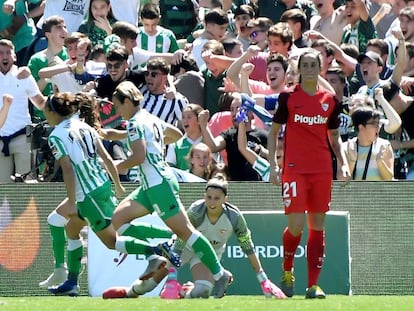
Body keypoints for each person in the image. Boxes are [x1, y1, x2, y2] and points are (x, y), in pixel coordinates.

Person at [44, 92, 178, 296]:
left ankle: (157, 250)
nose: (43, 113)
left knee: (111, 240)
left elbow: (68, 168)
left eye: (45, 109)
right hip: (100, 185)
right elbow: (105, 157)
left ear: (53, 112)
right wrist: (116, 184)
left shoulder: (56, 136)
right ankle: (69, 278)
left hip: (87, 194)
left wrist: (72, 202)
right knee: (69, 227)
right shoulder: (84, 126)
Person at [109, 80, 233, 299]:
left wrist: (112, 167)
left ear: (127, 101)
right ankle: (155, 252)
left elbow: (138, 157)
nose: (118, 111)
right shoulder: (147, 118)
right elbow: (175, 134)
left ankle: (219, 273)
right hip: (151, 185)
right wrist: (125, 137)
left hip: (158, 185)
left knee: (186, 232)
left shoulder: (135, 124)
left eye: (118, 106)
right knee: (117, 219)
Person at [103, 175, 287, 300]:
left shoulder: (234, 217)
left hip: (209, 255)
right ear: (204, 196)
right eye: (209, 197)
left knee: (203, 291)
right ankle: (129, 292)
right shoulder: (196, 211)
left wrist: (264, 280)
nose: (212, 202)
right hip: (182, 249)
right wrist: (172, 277)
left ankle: (186, 292)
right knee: (149, 285)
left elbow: (248, 247)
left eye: (217, 198)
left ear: (225, 199)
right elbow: (181, 238)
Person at [267, 48, 351, 299]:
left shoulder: (331, 101)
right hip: (294, 170)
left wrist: (342, 163)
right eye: (305, 65)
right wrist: (273, 165)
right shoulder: (288, 98)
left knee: (317, 225)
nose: (310, 69)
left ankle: (313, 285)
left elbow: (334, 138)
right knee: (296, 225)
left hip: (322, 170)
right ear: (299, 69)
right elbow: (273, 133)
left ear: (320, 68)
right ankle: (287, 270)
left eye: (314, 65)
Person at [0, 39, 46, 184]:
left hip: (23, 136)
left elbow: (40, 103)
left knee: (28, 184)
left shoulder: (24, 76)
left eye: (8, 52)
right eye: (0, 53)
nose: (4, 56)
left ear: (14, 56)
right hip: (0, 139)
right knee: (2, 188)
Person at [344, 98, 394, 180]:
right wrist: (352, 161)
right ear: (361, 127)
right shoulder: (346, 147)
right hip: (355, 193)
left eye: (379, 123)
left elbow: (389, 178)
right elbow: (341, 180)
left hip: (379, 193)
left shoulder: (384, 146)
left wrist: (380, 161)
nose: (378, 127)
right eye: (374, 124)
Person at [166, 103, 204, 170]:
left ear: (199, 120)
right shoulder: (175, 144)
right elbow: (170, 169)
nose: (185, 121)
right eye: (183, 117)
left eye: (189, 117)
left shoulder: (208, 142)